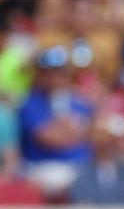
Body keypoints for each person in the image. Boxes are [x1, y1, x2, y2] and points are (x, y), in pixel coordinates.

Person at [18, 46, 95, 199]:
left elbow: (93, 134)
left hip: (81, 165)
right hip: (44, 167)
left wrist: (64, 129)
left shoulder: (78, 101)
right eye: (48, 72)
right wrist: (73, 130)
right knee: (61, 180)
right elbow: (49, 139)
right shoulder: (29, 103)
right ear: (38, 74)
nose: (54, 77)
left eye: (60, 72)